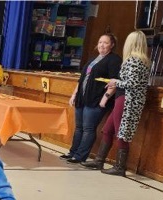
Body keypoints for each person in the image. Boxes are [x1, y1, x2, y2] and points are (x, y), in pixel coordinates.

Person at [82, 31, 151, 177]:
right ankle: (99, 160)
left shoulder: (135, 60)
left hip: (127, 99)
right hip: (124, 97)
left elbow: (131, 83)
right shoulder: (140, 60)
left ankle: (120, 166)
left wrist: (115, 81)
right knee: (107, 129)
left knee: (122, 132)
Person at [63, 33, 121, 163]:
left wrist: (105, 98)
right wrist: (74, 94)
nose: (102, 45)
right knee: (79, 127)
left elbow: (114, 81)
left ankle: (80, 156)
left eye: (105, 42)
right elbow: (81, 79)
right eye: (100, 42)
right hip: (82, 98)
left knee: (88, 129)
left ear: (112, 45)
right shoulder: (93, 59)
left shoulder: (114, 60)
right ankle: (72, 152)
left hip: (96, 99)